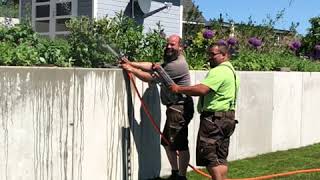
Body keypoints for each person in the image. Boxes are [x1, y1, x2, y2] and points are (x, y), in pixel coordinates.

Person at [120, 34, 194, 180]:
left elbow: (151, 78)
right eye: (168, 44)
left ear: (180, 47)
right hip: (174, 108)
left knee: (179, 144)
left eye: (173, 44)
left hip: (179, 108)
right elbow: (152, 66)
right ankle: (175, 173)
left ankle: (181, 176)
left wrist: (131, 69)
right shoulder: (171, 61)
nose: (168, 46)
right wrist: (131, 63)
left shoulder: (177, 65)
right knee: (167, 143)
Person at [169, 43, 239, 180]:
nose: (209, 58)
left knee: (207, 154)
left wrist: (178, 89)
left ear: (224, 55)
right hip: (228, 118)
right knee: (220, 156)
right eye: (209, 54)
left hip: (214, 119)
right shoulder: (231, 71)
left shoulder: (219, 71)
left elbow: (202, 89)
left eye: (213, 54)